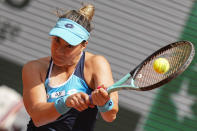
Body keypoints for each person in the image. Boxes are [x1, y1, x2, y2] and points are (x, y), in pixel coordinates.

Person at [22, 4, 119, 131]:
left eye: (69, 46)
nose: (59, 51)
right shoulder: (34, 68)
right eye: (57, 40)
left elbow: (110, 115)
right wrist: (66, 102)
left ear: (84, 45)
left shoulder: (97, 64)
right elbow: (38, 117)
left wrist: (104, 103)